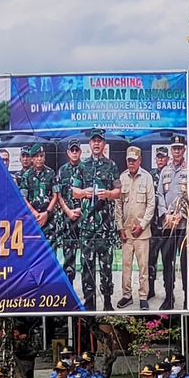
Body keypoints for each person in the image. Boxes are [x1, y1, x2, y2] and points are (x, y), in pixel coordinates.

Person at [72, 128, 121, 311]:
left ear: (104, 144)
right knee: (87, 265)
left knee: (106, 265)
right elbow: (75, 192)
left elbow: (119, 192)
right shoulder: (83, 166)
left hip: (105, 226)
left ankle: (107, 301)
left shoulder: (111, 165)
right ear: (90, 144)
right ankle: (90, 301)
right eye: (93, 141)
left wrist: (107, 194)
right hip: (87, 226)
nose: (96, 143)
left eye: (99, 141)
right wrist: (85, 192)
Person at [116, 145, 157, 310]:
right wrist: (120, 227)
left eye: (134, 160)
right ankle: (127, 295)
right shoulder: (122, 177)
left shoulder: (146, 178)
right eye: (129, 160)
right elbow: (118, 205)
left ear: (139, 160)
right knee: (126, 267)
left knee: (143, 267)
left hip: (142, 232)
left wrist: (142, 225)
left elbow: (151, 205)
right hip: (126, 232)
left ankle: (143, 297)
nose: (131, 163)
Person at [154, 135, 189, 310]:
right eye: (174, 148)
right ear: (171, 150)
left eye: (179, 148)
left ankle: (187, 299)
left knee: (184, 265)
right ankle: (169, 297)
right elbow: (160, 195)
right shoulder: (165, 171)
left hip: (183, 226)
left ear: (184, 150)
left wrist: (182, 215)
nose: (177, 151)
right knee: (167, 262)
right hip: (168, 225)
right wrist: (165, 215)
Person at [54, 140, 85, 284]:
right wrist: (68, 211)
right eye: (72, 150)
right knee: (69, 257)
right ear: (68, 153)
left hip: (84, 218)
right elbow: (58, 195)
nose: (74, 153)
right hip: (67, 218)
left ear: (80, 152)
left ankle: (88, 294)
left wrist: (80, 209)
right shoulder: (62, 171)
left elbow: (91, 192)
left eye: (76, 150)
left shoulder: (86, 169)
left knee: (86, 258)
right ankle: (70, 289)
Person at [17, 144, 58, 244]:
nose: (39, 159)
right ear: (32, 159)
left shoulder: (51, 173)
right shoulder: (26, 176)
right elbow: (23, 198)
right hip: (32, 220)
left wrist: (46, 213)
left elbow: (56, 195)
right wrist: (35, 214)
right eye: (36, 156)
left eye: (41, 156)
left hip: (49, 219)